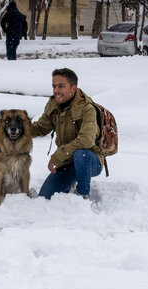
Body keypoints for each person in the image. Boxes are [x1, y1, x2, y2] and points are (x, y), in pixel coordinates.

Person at [31, 68, 103, 200]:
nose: (56, 91)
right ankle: (70, 182)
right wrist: (19, 130)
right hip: (66, 162)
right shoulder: (54, 104)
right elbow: (41, 128)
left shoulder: (88, 109)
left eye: (61, 86)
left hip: (91, 160)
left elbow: (86, 141)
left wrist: (57, 157)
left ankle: (82, 196)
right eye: (54, 86)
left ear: (73, 89)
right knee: (45, 197)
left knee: (81, 154)